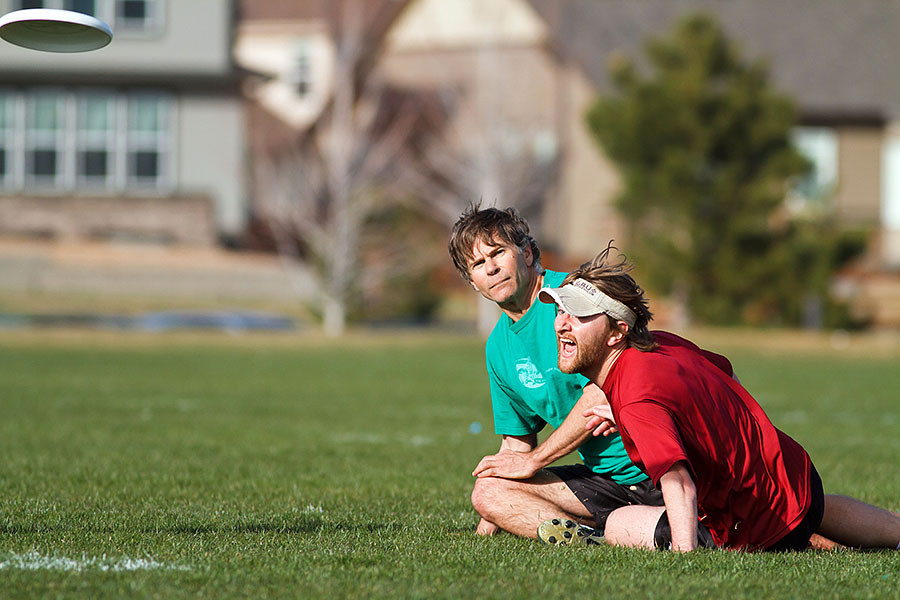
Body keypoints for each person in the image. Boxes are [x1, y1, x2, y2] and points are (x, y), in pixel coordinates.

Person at [536, 245, 900, 551]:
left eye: (579, 314)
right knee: (811, 511)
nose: (561, 323)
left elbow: (679, 484)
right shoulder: (662, 343)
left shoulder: (634, 397)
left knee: (618, 521)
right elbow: (726, 374)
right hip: (798, 478)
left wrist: (684, 561)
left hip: (752, 528)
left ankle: (601, 538)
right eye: (560, 310)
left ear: (618, 332)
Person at [448, 204, 664, 541]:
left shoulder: (575, 298)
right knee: (486, 491)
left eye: (498, 253)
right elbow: (517, 444)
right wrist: (492, 509)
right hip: (606, 481)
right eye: (477, 264)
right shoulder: (497, 347)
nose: (490, 269)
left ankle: (643, 524)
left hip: (661, 466)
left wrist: (536, 460)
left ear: (529, 253)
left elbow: (605, 388)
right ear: (473, 284)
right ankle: (594, 537)